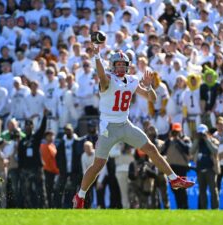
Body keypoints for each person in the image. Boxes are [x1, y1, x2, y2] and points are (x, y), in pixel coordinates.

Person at [72, 38, 194, 209]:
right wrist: (97, 56)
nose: (121, 67)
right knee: (99, 164)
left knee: (151, 149)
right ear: (113, 66)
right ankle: (80, 196)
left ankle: (174, 179)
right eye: (118, 64)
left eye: (124, 64)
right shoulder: (107, 79)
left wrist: (149, 86)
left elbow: (152, 98)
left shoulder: (131, 80)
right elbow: (101, 75)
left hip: (125, 124)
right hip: (109, 128)